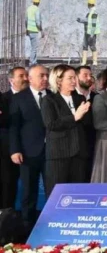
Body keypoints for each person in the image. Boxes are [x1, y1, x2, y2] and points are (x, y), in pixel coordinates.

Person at [40, 65, 92, 195]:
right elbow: (51, 124)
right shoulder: (49, 100)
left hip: (79, 153)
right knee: (57, 195)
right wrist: (75, 117)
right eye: (70, 78)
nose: (74, 81)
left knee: (78, 194)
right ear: (59, 80)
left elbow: (86, 124)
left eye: (75, 78)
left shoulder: (80, 98)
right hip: (59, 154)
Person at [9, 65, 49, 227]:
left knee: (53, 190)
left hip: (53, 152)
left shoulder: (53, 97)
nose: (45, 79)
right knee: (28, 191)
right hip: (28, 152)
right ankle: (27, 227)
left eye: (46, 76)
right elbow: (14, 127)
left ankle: (52, 224)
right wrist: (15, 150)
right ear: (30, 78)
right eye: (41, 76)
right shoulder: (19, 98)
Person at [1, 67, 27, 209]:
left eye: (26, 75)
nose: (25, 78)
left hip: (32, 148)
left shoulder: (39, 98)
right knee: (8, 183)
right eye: (21, 76)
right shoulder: (3, 99)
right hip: (7, 151)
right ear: (11, 80)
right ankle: (6, 214)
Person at [77, 0, 101, 66]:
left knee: (92, 46)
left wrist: (92, 34)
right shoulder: (89, 14)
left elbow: (93, 25)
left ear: (89, 4)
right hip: (86, 33)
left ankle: (95, 61)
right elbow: (86, 20)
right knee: (85, 46)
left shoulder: (94, 14)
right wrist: (80, 20)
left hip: (91, 34)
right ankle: (84, 62)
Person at [26, 0, 43, 66]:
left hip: (29, 30)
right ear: (38, 2)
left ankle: (34, 62)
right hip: (34, 31)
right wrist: (41, 30)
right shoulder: (37, 10)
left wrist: (27, 29)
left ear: (33, 1)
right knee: (34, 48)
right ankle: (32, 62)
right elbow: (38, 22)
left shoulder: (29, 9)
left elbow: (26, 20)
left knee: (33, 47)